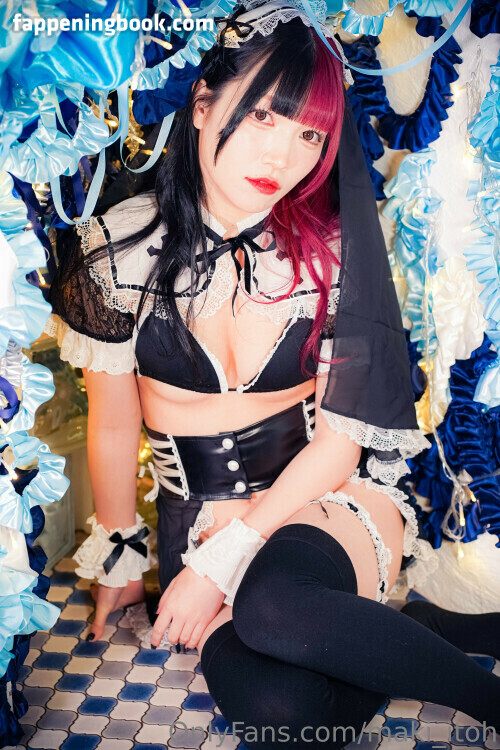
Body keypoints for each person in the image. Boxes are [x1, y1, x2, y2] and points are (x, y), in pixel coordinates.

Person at [48, 1, 500, 744]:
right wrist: (122, 561)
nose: (283, 158)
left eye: (309, 134)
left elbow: (340, 442)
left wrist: (225, 560)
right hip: (198, 520)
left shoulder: (330, 250)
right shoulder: (114, 254)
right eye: (263, 117)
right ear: (202, 104)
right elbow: (115, 422)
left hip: (324, 501)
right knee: (279, 710)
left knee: (273, 604)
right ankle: (422, 631)